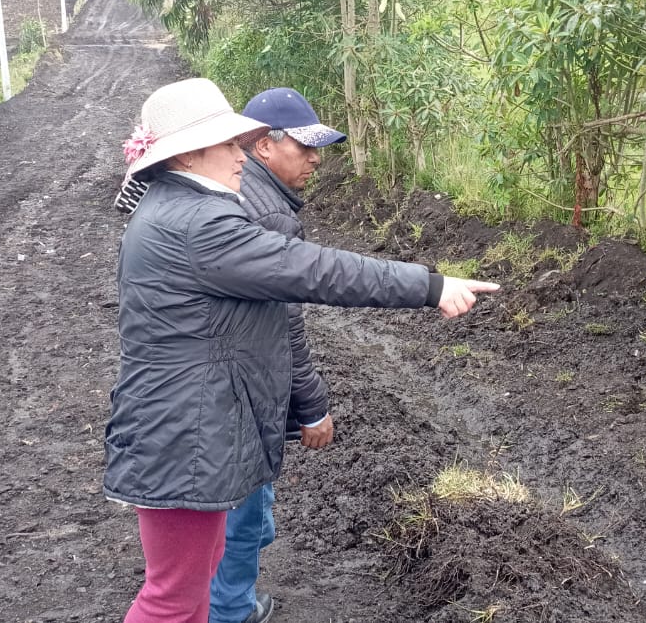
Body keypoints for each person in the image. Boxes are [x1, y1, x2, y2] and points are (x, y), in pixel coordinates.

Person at [103, 77, 498, 623]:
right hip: (184, 436)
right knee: (171, 598)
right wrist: (429, 286)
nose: (239, 155)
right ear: (188, 155)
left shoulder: (177, 207)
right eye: (228, 144)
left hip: (184, 427)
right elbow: (314, 270)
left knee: (194, 582)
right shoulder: (199, 223)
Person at [208, 88, 345, 623]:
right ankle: (230, 609)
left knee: (240, 505)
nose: (316, 159)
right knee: (244, 510)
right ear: (265, 144)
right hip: (242, 385)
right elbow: (285, 322)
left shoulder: (236, 191)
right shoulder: (269, 215)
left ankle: (218, 595)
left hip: (220, 376)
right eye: (305, 147)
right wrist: (311, 406)